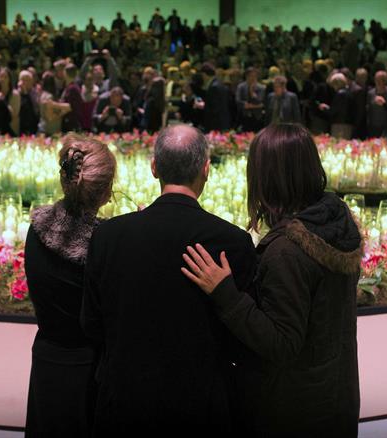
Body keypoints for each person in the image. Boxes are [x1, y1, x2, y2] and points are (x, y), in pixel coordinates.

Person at [181, 123, 362, 437]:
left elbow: (282, 343)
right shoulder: (335, 224)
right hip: (334, 398)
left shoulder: (287, 252)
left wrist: (226, 293)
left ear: (267, 177)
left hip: (295, 411)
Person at [81, 125, 256, 435]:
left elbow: (92, 325)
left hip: (124, 402)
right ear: (206, 170)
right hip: (201, 408)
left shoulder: (108, 236)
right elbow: (242, 339)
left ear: (154, 167)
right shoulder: (233, 242)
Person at [24, 134, 116, 437]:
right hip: (88, 367)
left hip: (48, 358)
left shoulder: (36, 229)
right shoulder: (104, 243)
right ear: (106, 192)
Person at [38, 71, 71, 136]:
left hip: (43, 128)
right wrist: (62, 113)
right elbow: (50, 117)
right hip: (50, 131)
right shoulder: (49, 96)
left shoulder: (42, 95)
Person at [235, 67, 265, 133]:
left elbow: (261, 102)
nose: (253, 78)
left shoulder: (262, 88)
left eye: (255, 76)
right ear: (246, 76)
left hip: (257, 118)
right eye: (250, 76)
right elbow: (238, 100)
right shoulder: (241, 87)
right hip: (244, 117)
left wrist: (252, 93)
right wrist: (246, 104)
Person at [367, 70, 387, 139]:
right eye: (376, 80)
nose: (378, 82)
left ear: (385, 81)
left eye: (381, 80)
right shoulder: (371, 93)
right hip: (372, 127)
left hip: (386, 128)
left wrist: (384, 104)